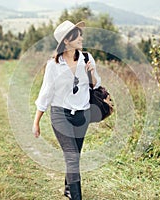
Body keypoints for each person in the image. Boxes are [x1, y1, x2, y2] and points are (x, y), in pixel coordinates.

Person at [32, 20, 101, 200]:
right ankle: (76, 197)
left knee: (75, 156)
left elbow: (96, 84)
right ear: (66, 41)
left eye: (80, 34)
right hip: (60, 114)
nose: (81, 37)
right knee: (71, 157)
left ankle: (68, 189)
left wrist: (91, 72)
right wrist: (36, 121)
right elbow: (46, 93)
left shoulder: (87, 58)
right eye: (77, 35)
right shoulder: (53, 65)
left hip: (82, 115)